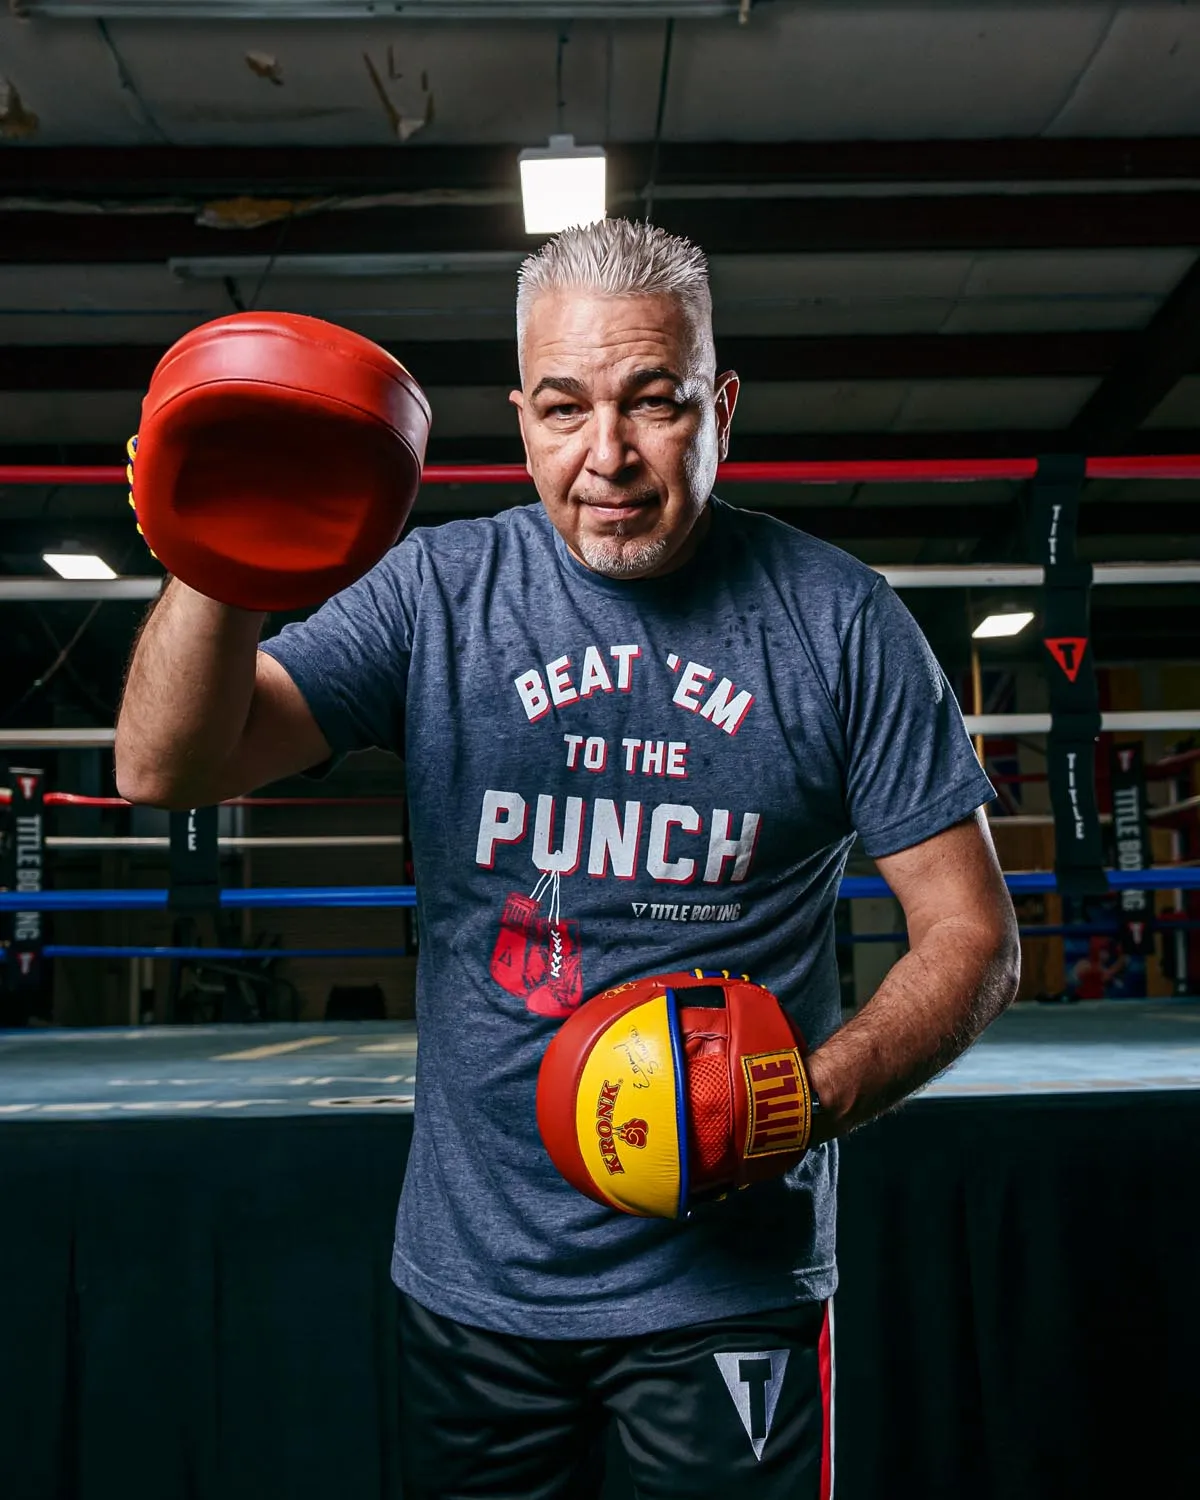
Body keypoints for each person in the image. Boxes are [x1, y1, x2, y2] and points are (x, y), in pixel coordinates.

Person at [116, 217, 1019, 1499]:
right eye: (563, 409)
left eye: (656, 404)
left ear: (722, 408)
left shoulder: (839, 622)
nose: (608, 458)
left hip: (729, 1285)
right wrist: (219, 556)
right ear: (520, 417)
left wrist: (798, 1103)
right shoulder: (438, 590)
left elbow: (975, 937)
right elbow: (169, 766)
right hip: (477, 1280)